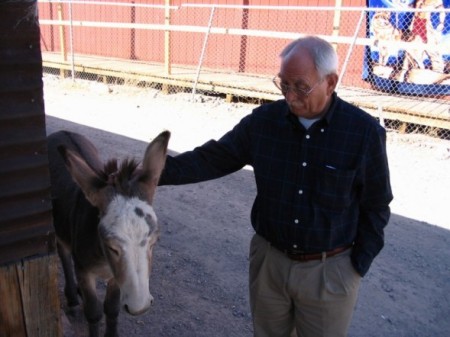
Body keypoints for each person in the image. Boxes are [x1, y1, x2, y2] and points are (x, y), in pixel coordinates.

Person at [158, 35, 393, 337]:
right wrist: (152, 173)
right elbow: (214, 158)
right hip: (270, 263)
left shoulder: (363, 133)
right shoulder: (263, 123)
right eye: (284, 84)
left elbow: (376, 204)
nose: (290, 96)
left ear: (331, 82)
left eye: (301, 86)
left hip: (329, 272)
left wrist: (355, 267)